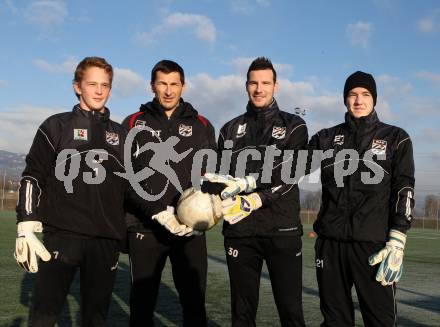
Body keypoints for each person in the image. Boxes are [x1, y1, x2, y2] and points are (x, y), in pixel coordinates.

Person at [14, 56, 129, 326]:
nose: (99, 91)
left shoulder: (122, 135)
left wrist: (164, 212)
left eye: (105, 85)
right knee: (44, 314)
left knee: (95, 318)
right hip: (62, 235)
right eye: (92, 84)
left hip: (105, 239)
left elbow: (132, 188)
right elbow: (32, 175)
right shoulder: (56, 126)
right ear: (78, 87)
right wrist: (26, 222)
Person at [204, 57, 307, 327]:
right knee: (242, 313)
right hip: (240, 232)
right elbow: (220, 179)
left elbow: (290, 173)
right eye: (253, 83)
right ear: (246, 86)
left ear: (276, 86)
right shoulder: (229, 129)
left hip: (281, 232)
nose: (259, 89)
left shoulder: (295, 125)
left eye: (265, 83)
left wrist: (254, 197)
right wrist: (200, 197)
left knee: (291, 312)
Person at [308, 71, 415, 326]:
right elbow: (291, 167)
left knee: (380, 320)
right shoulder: (325, 138)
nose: (359, 100)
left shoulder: (396, 138)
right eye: (352, 94)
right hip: (331, 245)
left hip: (374, 246)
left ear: (374, 99)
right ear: (345, 99)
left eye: (365, 94)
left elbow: (404, 188)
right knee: (334, 321)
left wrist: (397, 239)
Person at [122, 59, 216, 327]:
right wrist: (156, 212)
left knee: (194, 305)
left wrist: (205, 214)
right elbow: (124, 179)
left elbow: (210, 177)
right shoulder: (132, 123)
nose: (168, 90)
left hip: (189, 231)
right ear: (152, 86)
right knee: (141, 306)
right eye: (162, 83)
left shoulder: (202, 125)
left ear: (183, 86)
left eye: (174, 84)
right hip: (146, 228)